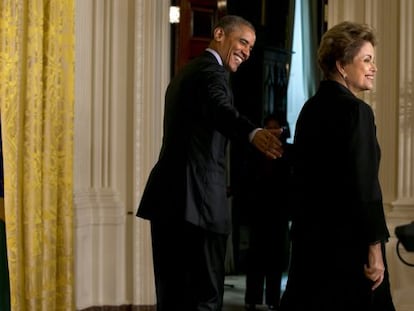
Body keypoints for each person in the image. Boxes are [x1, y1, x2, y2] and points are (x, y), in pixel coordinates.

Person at [136, 15, 284, 311]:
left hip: (168, 201)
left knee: (172, 297)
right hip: (197, 206)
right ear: (219, 34)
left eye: (251, 47)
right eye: (242, 42)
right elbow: (220, 108)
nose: (247, 52)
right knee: (204, 300)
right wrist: (252, 132)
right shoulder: (212, 72)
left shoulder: (186, 72)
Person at [280, 21, 395, 311]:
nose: (374, 67)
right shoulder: (357, 111)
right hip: (349, 249)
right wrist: (375, 249)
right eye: (366, 60)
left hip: (311, 245)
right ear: (342, 64)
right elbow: (365, 184)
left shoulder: (310, 108)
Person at [244, 114, 292, 311]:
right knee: (255, 259)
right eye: (267, 129)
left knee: (275, 260)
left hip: (279, 212)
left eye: (275, 129)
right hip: (259, 211)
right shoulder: (255, 152)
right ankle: (252, 299)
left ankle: (273, 300)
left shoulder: (286, 151)